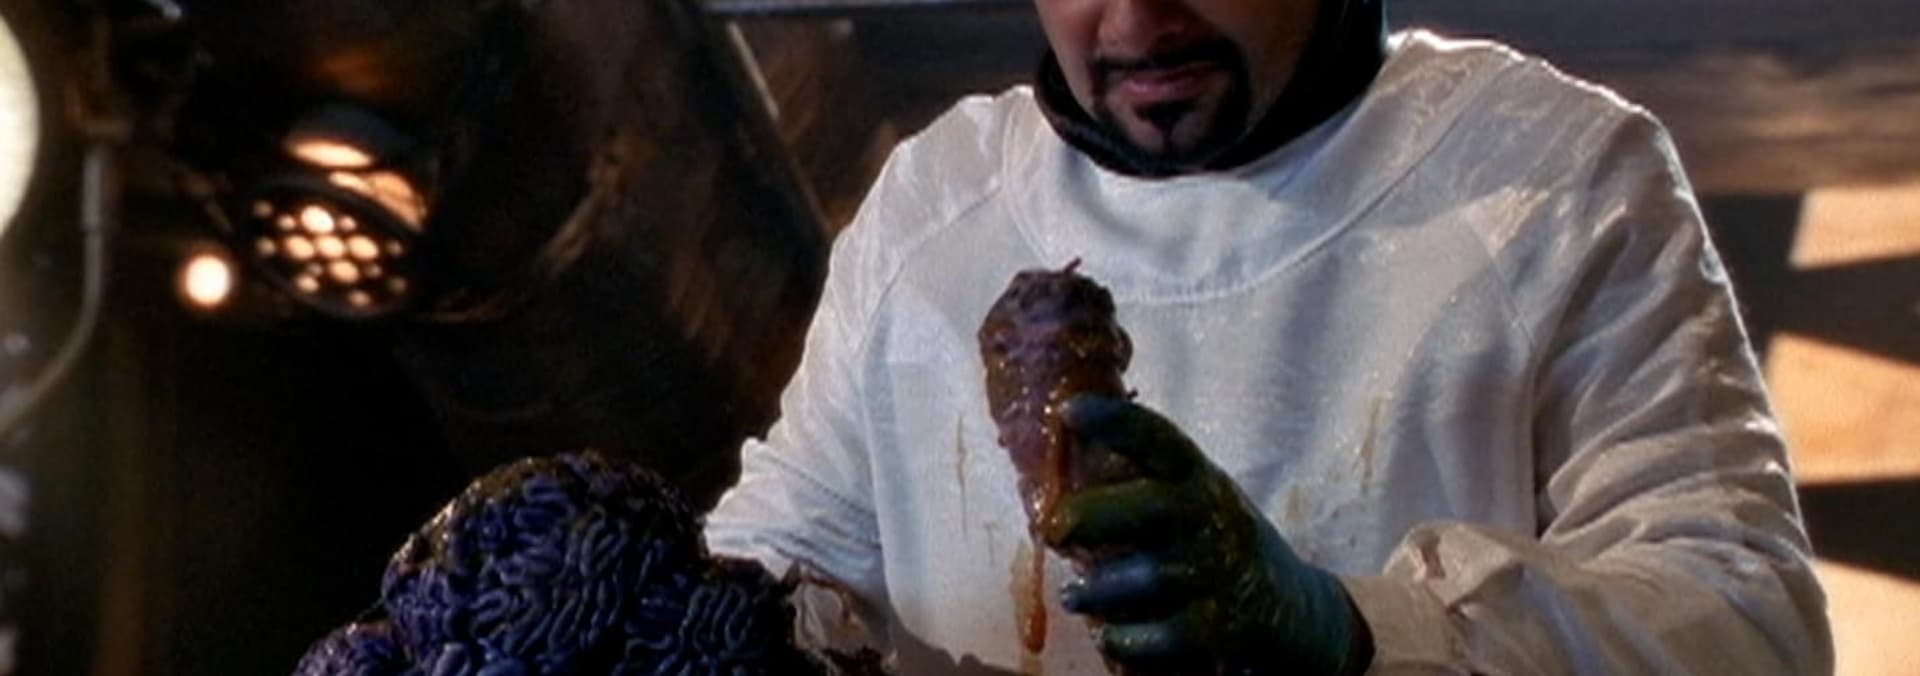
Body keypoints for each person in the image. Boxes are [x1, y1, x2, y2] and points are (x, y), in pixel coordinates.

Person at [705, 0, 1835, 673]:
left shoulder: (1555, 183)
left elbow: (1745, 622)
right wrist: (671, 605)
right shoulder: (936, 205)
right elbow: (791, 557)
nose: (1136, 20)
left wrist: (1354, 633)